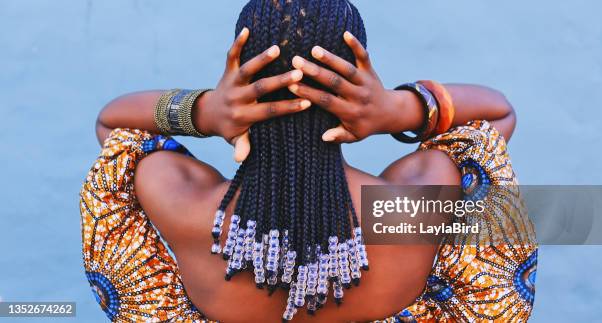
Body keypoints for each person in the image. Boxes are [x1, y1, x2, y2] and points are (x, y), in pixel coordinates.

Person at [79, 0, 537, 322]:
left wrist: (205, 111)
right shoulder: (413, 205)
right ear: (357, 82)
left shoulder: (184, 205)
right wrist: (397, 110)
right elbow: (498, 114)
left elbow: (113, 126)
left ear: (238, 74)